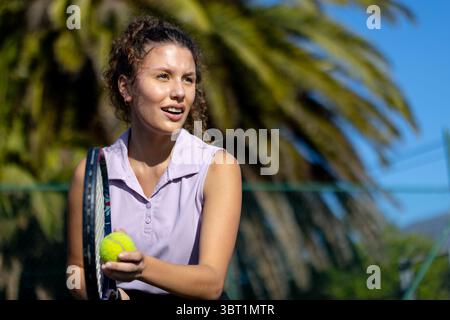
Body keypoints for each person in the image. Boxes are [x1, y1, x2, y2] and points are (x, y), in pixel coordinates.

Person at [66, 15, 242, 300]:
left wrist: (143, 268)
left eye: (188, 80)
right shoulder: (90, 171)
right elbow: (75, 270)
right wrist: (112, 297)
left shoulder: (218, 167)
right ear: (126, 88)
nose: (178, 93)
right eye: (163, 76)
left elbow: (211, 283)